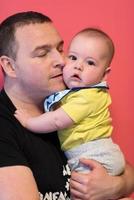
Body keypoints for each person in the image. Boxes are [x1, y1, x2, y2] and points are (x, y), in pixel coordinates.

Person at [0, 11, 134, 200]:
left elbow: (123, 167)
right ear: (10, 66)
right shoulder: (5, 126)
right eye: (43, 53)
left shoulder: (67, 100)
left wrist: (115, 186)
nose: (61, 62)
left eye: (61, 50)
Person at [15, 27, 125, 176]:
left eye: (90, 63)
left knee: (80, 191)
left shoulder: (88, 97)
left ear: (104, 74)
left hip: (94, 156)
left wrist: (29, 122)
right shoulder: (77, 91)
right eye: (73, 57)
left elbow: (57, 120)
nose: (78, 66)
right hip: (96, 153)